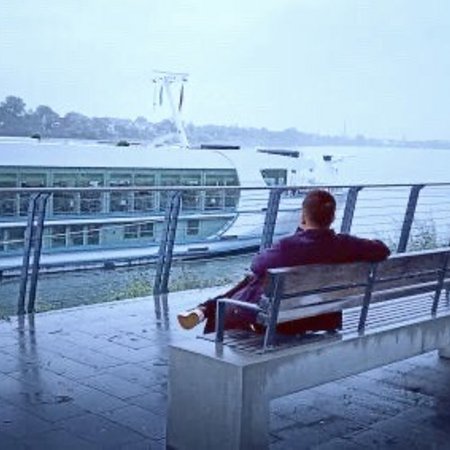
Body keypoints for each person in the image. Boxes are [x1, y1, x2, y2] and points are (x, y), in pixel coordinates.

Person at [177, 189, 390, 334]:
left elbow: (257, 264)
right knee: (255, 281)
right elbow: (382, 250)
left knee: (234, 298)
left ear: (303, 217)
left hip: (280, 323)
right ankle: (202, 309)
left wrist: (299, 231)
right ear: (333, 218)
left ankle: (205, 311)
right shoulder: (344, 245)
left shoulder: (288, 246)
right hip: (323, 318)